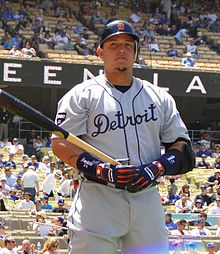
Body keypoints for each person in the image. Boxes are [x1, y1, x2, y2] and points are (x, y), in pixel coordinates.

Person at [51, 19, 195, 254]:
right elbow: (60, 144)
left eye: (128, 44)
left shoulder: (159, 96)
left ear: (136, 52)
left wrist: (157, 167)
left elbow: (182, 148)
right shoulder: (81, 95)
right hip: (98, 199)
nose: (122, 49)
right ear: (100, 53)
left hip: (146, 197)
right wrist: (100, 169)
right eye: (113, 44)